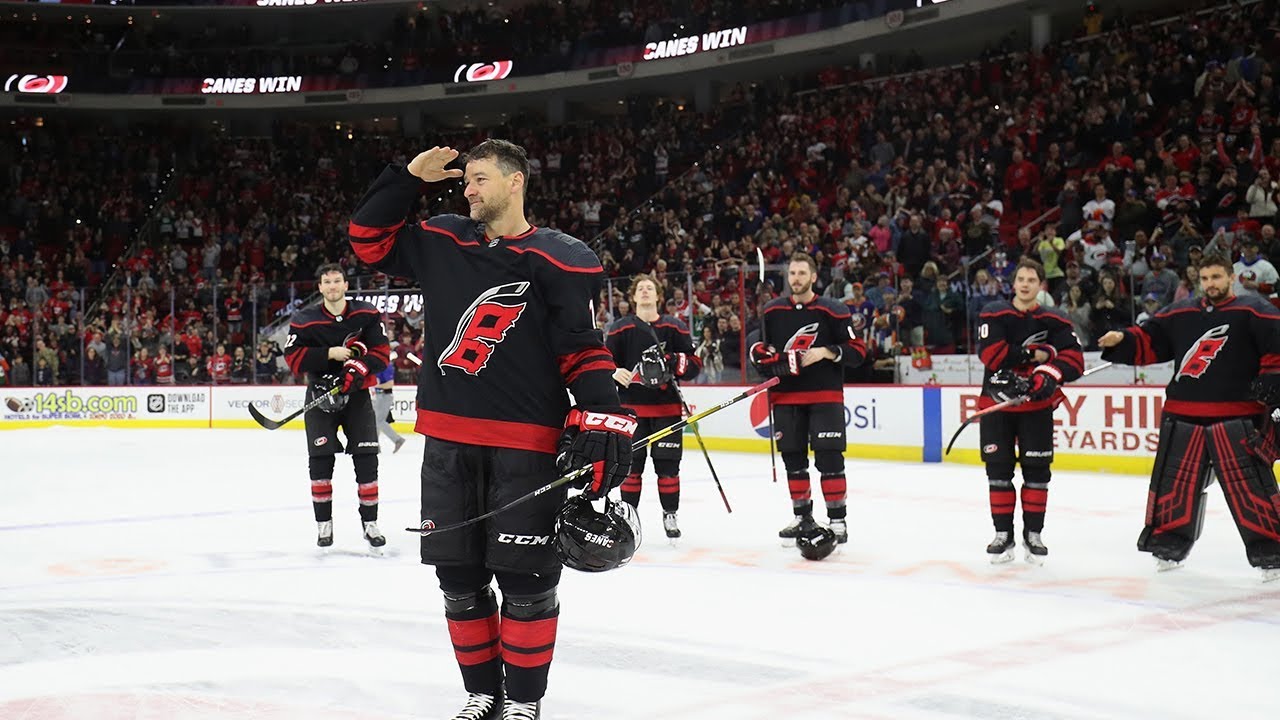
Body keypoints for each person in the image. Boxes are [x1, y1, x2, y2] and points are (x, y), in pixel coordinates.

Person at [348, 141, 634, 720]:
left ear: (515, 182)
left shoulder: (559, 257)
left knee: (526, 583)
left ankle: (523, 703)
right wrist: (405, 178)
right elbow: (367, 241)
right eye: (466, 181)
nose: (468, 190)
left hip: (527, 445)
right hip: (448, 442)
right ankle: (482, 693)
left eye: (479, 179)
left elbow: (580, 348)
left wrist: (604, 417)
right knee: (458, 577)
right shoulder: (443, 239)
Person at [1099, 254, 1280, 576]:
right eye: (1205, 278)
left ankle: (1272, 554)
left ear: (1231, 277)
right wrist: (1122, 340)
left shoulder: (1255, 309)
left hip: (1237, 415)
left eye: (1217, 277)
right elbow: (1149, 340)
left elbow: (1276, 345)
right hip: (1182, 414)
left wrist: (1271, 378)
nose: (1211, 284)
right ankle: (1167, 547)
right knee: (1174, 487)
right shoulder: (1179, 312)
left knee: (1251, 489)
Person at [750, 252, 867, 545]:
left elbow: (858, 351)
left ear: (814, 277)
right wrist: (759, 353)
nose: (796, 279)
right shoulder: (772, 311)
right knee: (794, 460)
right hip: (786, 397)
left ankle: (837, 521)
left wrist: (827, 351)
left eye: (802, 273)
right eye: (792, 274)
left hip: (824, 396)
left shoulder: (834, 310)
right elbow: (758, 348)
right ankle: (802, 516)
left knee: (829, 458)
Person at [975, 258, 1084, 564]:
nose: (1025, 284)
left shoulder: (1056, 319)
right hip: (997, 405)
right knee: (998, 473)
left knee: (1037, 473)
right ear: (1014, 283)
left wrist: (1048, 372)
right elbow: (991, 354)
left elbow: (1075, 361)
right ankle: (1003, 534)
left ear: (1041, 285)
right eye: (1020, 279)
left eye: (1031, 280)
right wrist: (1037, 353)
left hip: (1036, 408)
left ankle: (1033, 534)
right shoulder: (993, 313)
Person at [283, 263, 392, 552]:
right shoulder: (304, 319)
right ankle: (324, 525)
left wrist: (359, 367)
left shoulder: (366, 314)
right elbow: (292, 358)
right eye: (326, 282)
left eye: (337, 281)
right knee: (320, 461)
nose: (332, 286)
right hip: (320, 396)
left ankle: (370, 524)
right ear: (319, 288)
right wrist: (327, 354)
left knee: (367, 460)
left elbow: (382, 353)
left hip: (357, 397)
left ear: (346, 285)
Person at [605, 273, 701, 539]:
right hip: (631, 412)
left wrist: (674, 361)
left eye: (650, 288)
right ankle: (628, 518)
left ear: (658, 296)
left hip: (667, 411)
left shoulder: (674, 327)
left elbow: (694, 364)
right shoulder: (620, 328)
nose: (645, 292)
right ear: (633, 296)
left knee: (668, 468)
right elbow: (603, 360)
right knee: (631, 468)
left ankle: (670, 514)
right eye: (641, 289)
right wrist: (613, 371)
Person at [371, 351, 406, 453]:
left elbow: (390, 384)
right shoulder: (379, 366)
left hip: (384, 396)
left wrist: (376, 386)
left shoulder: (387, 366)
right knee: (377, 421)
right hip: (378, 396)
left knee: (378, 421)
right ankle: (377, 445)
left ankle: (397, 440)